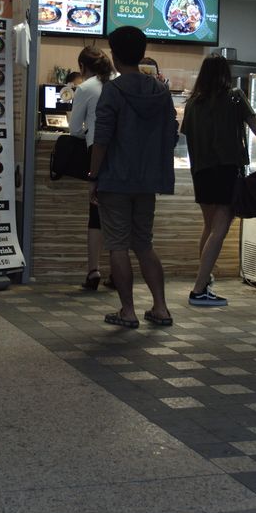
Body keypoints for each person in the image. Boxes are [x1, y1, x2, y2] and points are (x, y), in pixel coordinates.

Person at [89, 26, 178, 329]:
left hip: (116, 178)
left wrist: (94, 174)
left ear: (114, 55)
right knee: (144, 243)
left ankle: (128, 311)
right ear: (141, 53)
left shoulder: (113, 91)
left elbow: (101, 139)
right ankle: (161, 308)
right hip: (148, 180)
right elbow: (171, 135)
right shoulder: (161, 92)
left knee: (117, 244)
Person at [180, 55, 256, 307]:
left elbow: (186, 134)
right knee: (220, 230)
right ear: (226, 73)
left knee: (209, 227)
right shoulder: (236, 96)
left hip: (201, 171)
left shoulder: (193, 102)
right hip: (226, 170)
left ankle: (205, 281)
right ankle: (198, 289)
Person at [68, 45, 113, 290]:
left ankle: (93, 271)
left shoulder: (86, 88)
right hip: (124, 155)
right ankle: (118, 272)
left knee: (96, 215)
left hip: (97, 153)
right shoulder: (119, 83)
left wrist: (87, 129)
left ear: (83, 67)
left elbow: (75, 129)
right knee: (119, 215)